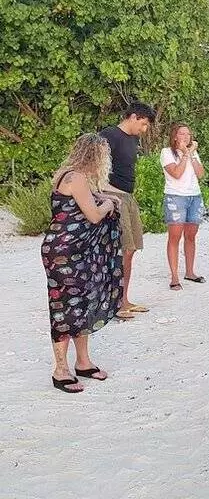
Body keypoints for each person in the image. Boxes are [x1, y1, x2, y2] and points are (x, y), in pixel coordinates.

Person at [42, 133, 123, 393]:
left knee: (82, 302)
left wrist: (107, 197)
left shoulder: (72, 175)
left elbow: (90, 197)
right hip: (64, 253)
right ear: (95, 156)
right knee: (65, 307)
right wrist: (108, 205)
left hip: (76, 251)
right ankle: (60, 369)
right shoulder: (75, 178)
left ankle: (83, 362)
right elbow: (93, 214)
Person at [99, 101, 155, 319]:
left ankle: (124, 299)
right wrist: (110, 195)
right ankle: (114, 303)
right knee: (120, 250)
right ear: (133, 117)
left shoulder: (133, 139)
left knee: (131, 249)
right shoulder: (108, 135)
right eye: (143, 124)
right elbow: (96, 170)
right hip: (112, 197)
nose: (144, 129)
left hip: (128, 197)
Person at [161, 122, 205, 290]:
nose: (186, 137)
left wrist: (191, 154)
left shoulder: (193, 153)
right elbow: (177, 174)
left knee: (191, 236)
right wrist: (185, 154)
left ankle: (190, 271)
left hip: (195, 196)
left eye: (188, 134)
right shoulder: (167, 153)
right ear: (174, 136)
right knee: (175, 237)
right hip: (176, 196)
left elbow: (200, 174)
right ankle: (174, 276)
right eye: (182, 134)